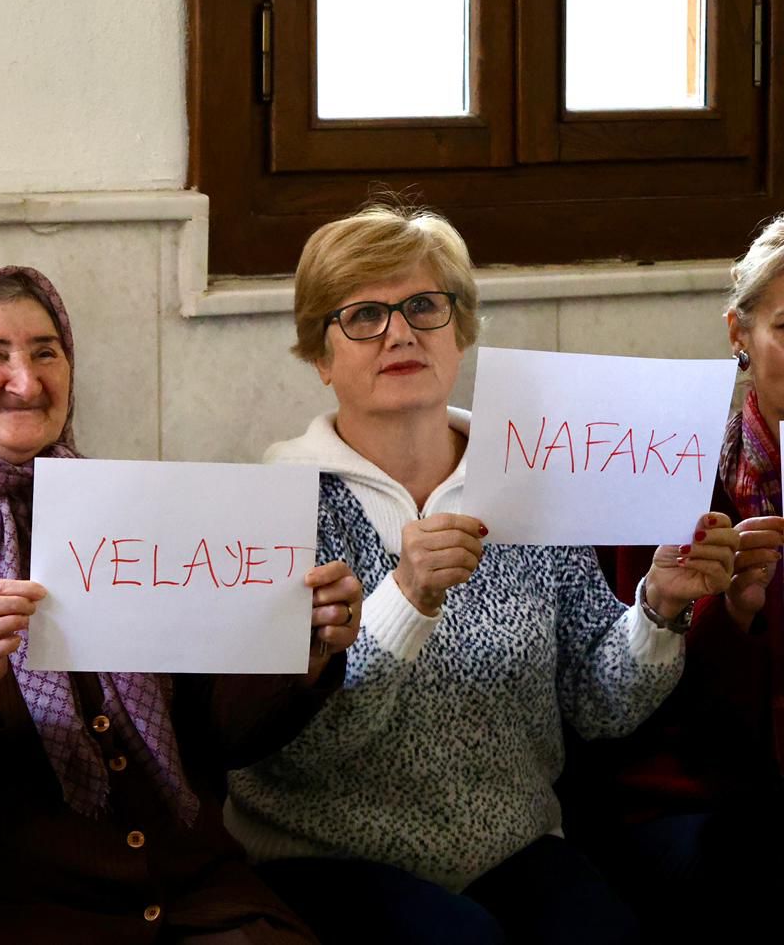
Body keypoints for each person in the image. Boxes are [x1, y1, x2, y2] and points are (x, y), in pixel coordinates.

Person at [223, 202, 737, 945]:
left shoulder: (529, 477)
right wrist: (404, 601)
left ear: (459, 330)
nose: (399, 332)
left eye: (424, 306)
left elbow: (599, 708)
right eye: (364, 314)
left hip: (514, 846)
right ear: (320, 355)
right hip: (323, 856)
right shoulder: (278, 505)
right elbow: (288, 751)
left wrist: (657, 609)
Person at [0, 265, 359, 944]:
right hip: (10, 911)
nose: (27, 379)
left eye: (46, 351)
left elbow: (220, 737)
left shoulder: (128, 509)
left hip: (196, 893)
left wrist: (300, 651)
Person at [569, 218, 784, 941]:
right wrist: (735, 614)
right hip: (693, 792)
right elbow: (620, 704)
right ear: (739, 336)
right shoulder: (665, 470)